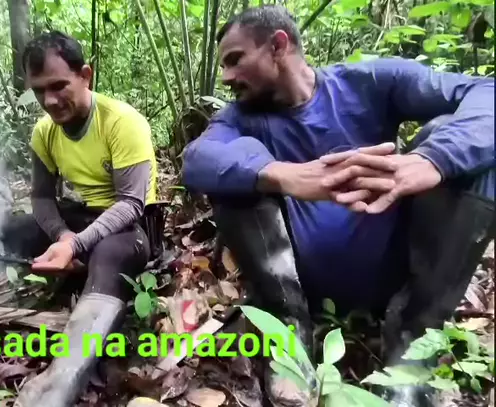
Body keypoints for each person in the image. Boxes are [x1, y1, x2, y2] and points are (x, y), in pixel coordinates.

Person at [181, 5, 494, 407]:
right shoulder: (239, 119)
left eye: (235, 60)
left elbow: (486, 94)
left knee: (472, 150)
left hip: (396, 273)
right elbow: (197, 160)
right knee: (234, 169)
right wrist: (280, 174)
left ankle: (414, 344)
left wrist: (434, 159)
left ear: (278, 46)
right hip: (301, 285)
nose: (226, 77)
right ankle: (289, 332)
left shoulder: (369, 82)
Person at [3, 31, 158, 407]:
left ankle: (61, 381)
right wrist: (62, 236)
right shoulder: (44, 133)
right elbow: (42, 197)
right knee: (9, 228)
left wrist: (75, 244)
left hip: (132, 226)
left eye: (59, 86)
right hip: (82, 218)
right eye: (39, 90)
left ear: (85, 75)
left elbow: (131, 204)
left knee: (110, 253)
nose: (50, 101)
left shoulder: (121, 121)